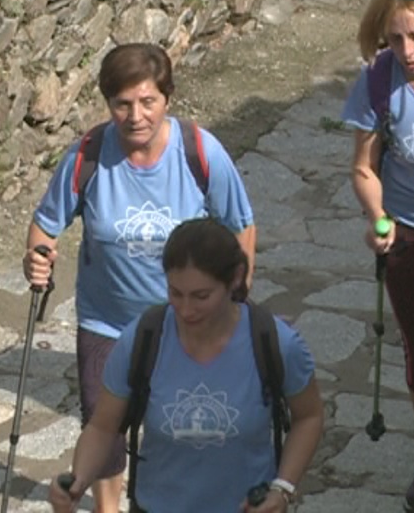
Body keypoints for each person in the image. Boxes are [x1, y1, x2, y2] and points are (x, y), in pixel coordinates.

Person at [23, 43, 257, 512]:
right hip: (106, 321)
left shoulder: (199, 151)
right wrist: (36, 258)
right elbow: (46, 223)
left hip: (186, 323)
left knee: (183, 428)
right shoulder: (88, 155)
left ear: (167, 98)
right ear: (108, 104)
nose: (135, 116)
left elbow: (240, 225)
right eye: (122, 104)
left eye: (147, 101)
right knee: (103, 427)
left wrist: (234, 297)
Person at [48, 218, 324, 513]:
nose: (185, 309)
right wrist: (78, 482)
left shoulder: (275, 343)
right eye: (175, 293)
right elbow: (103, 427)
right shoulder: (142, 339)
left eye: (201, 296)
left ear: (235, 278)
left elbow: (308, 417)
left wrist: (283, 488)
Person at [341, 0, 414, 513]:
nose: (407, 51)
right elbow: (363, 168)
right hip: (411, 229)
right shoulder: (380, 81)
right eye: (394, 38)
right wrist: (377, 216)